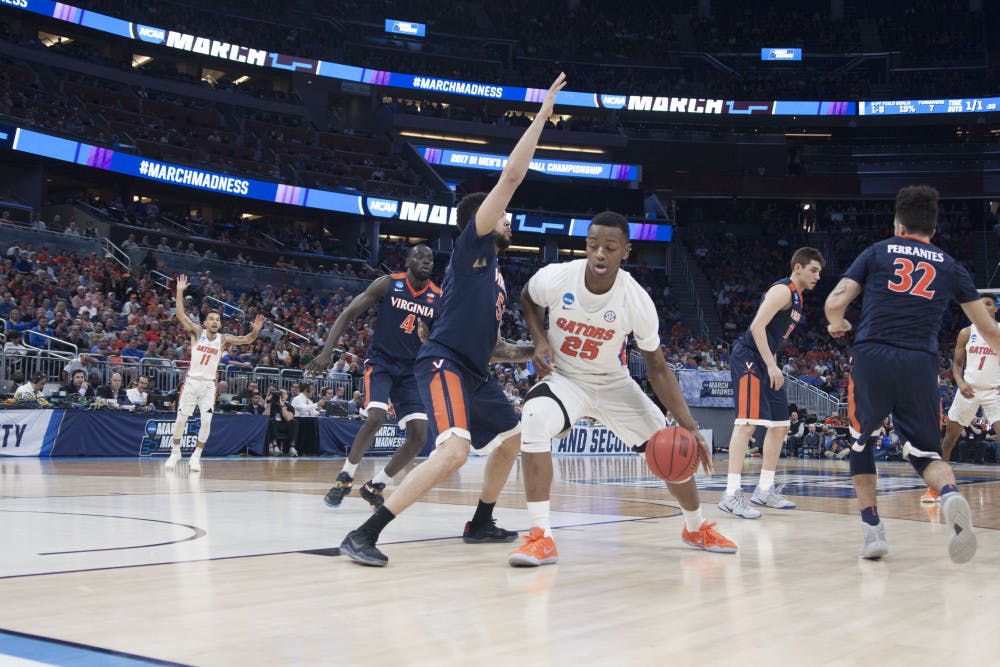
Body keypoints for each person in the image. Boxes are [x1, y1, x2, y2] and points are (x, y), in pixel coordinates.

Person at [339, 72, 566, 566]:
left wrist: (538, 351)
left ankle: (480, 522)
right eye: (502, 215)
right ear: (480, 220)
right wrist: (543, 116)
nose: (510, 218)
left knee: (515, 438)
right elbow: (510, 178)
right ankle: (364, 532)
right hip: (443, 365)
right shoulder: (471, 247)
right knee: (455, 452)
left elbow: (497, 348)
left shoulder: (496, 279)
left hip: (475, 371)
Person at [507, 212, 736, 567]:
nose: (600, 253)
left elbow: (657, 366)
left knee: (668, 446)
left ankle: (696, 527)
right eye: (593, 245)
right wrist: (540, 340)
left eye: (609, 248)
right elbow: (527, 296)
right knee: (534, 419)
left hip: (614, 383)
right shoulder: (559, 277)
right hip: (567, 378)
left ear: (625, 252)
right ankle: (541, 536)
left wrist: (688, 425)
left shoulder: (636, 299)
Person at [824, 184, 997, 563]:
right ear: (933, 230)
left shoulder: (877, 251)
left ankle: (873, 531)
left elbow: (835, 302)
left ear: (898, 225)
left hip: (873, 355)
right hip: (919, 361)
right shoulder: (950, 265)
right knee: (926, 454)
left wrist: (837, 324)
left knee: (859, 440)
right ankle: (949, 495)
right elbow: (989, 331)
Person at [307, 245, 440, 510]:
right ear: (407, 260)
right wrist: (326, 352)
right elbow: (349, 313)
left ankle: (375, 485)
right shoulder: (389, 284)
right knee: (377, 417)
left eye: (430, 258)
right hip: (382, 363)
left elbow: (438, 339)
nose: (426, 261)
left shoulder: (438, 297)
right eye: (420, 257)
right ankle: (345, 478)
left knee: (419, 436)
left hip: (412, 371)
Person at [718, 247, 825, 519]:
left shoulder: (798, 297)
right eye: (813, 270)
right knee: (746, 424)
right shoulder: (783, 290)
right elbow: (756, 326)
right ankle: (731, 494)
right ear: (797, 267)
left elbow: (773, 336)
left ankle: (764, 490)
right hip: (749, 358)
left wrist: (773, 364)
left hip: (767, 360)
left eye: (820, 272)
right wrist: (770, 364)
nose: (817, 276)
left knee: (780, 425)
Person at [166, 274, 264, 472]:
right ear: (205, 322)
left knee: (207, 420)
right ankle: (175, 452)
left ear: (220, 323)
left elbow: (247, 340)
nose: (214, 321)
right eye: (210, 318)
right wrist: (179, 292)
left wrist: (255, 331)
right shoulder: (196, 332)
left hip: (209, 385)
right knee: (181, 419)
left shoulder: (224, 339)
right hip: (192, 382)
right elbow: (180, 315)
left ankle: (196, 456)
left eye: (217, 319)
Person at [926, 293, 1000, 502]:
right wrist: (960, 381)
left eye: (988, 304)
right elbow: (957, 365)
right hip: (968, 389)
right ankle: (937, 487)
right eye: (980, 304)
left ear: (995, 309)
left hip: (994, 392)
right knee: (949, 440)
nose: (984, 307)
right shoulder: (967, 333)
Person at [264, 388, 298, 456]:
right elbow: (264, 417)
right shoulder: (272, 405)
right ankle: (275, 447)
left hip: (285, 426)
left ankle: (292, 448)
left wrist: (282, 405)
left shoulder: (289, 406)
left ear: (287, 396)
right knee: (272, 420)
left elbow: (288, 418)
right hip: (273, 426)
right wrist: (269, 403)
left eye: (284, 393)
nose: (282, 395)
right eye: (280, 393)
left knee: (294, 421)